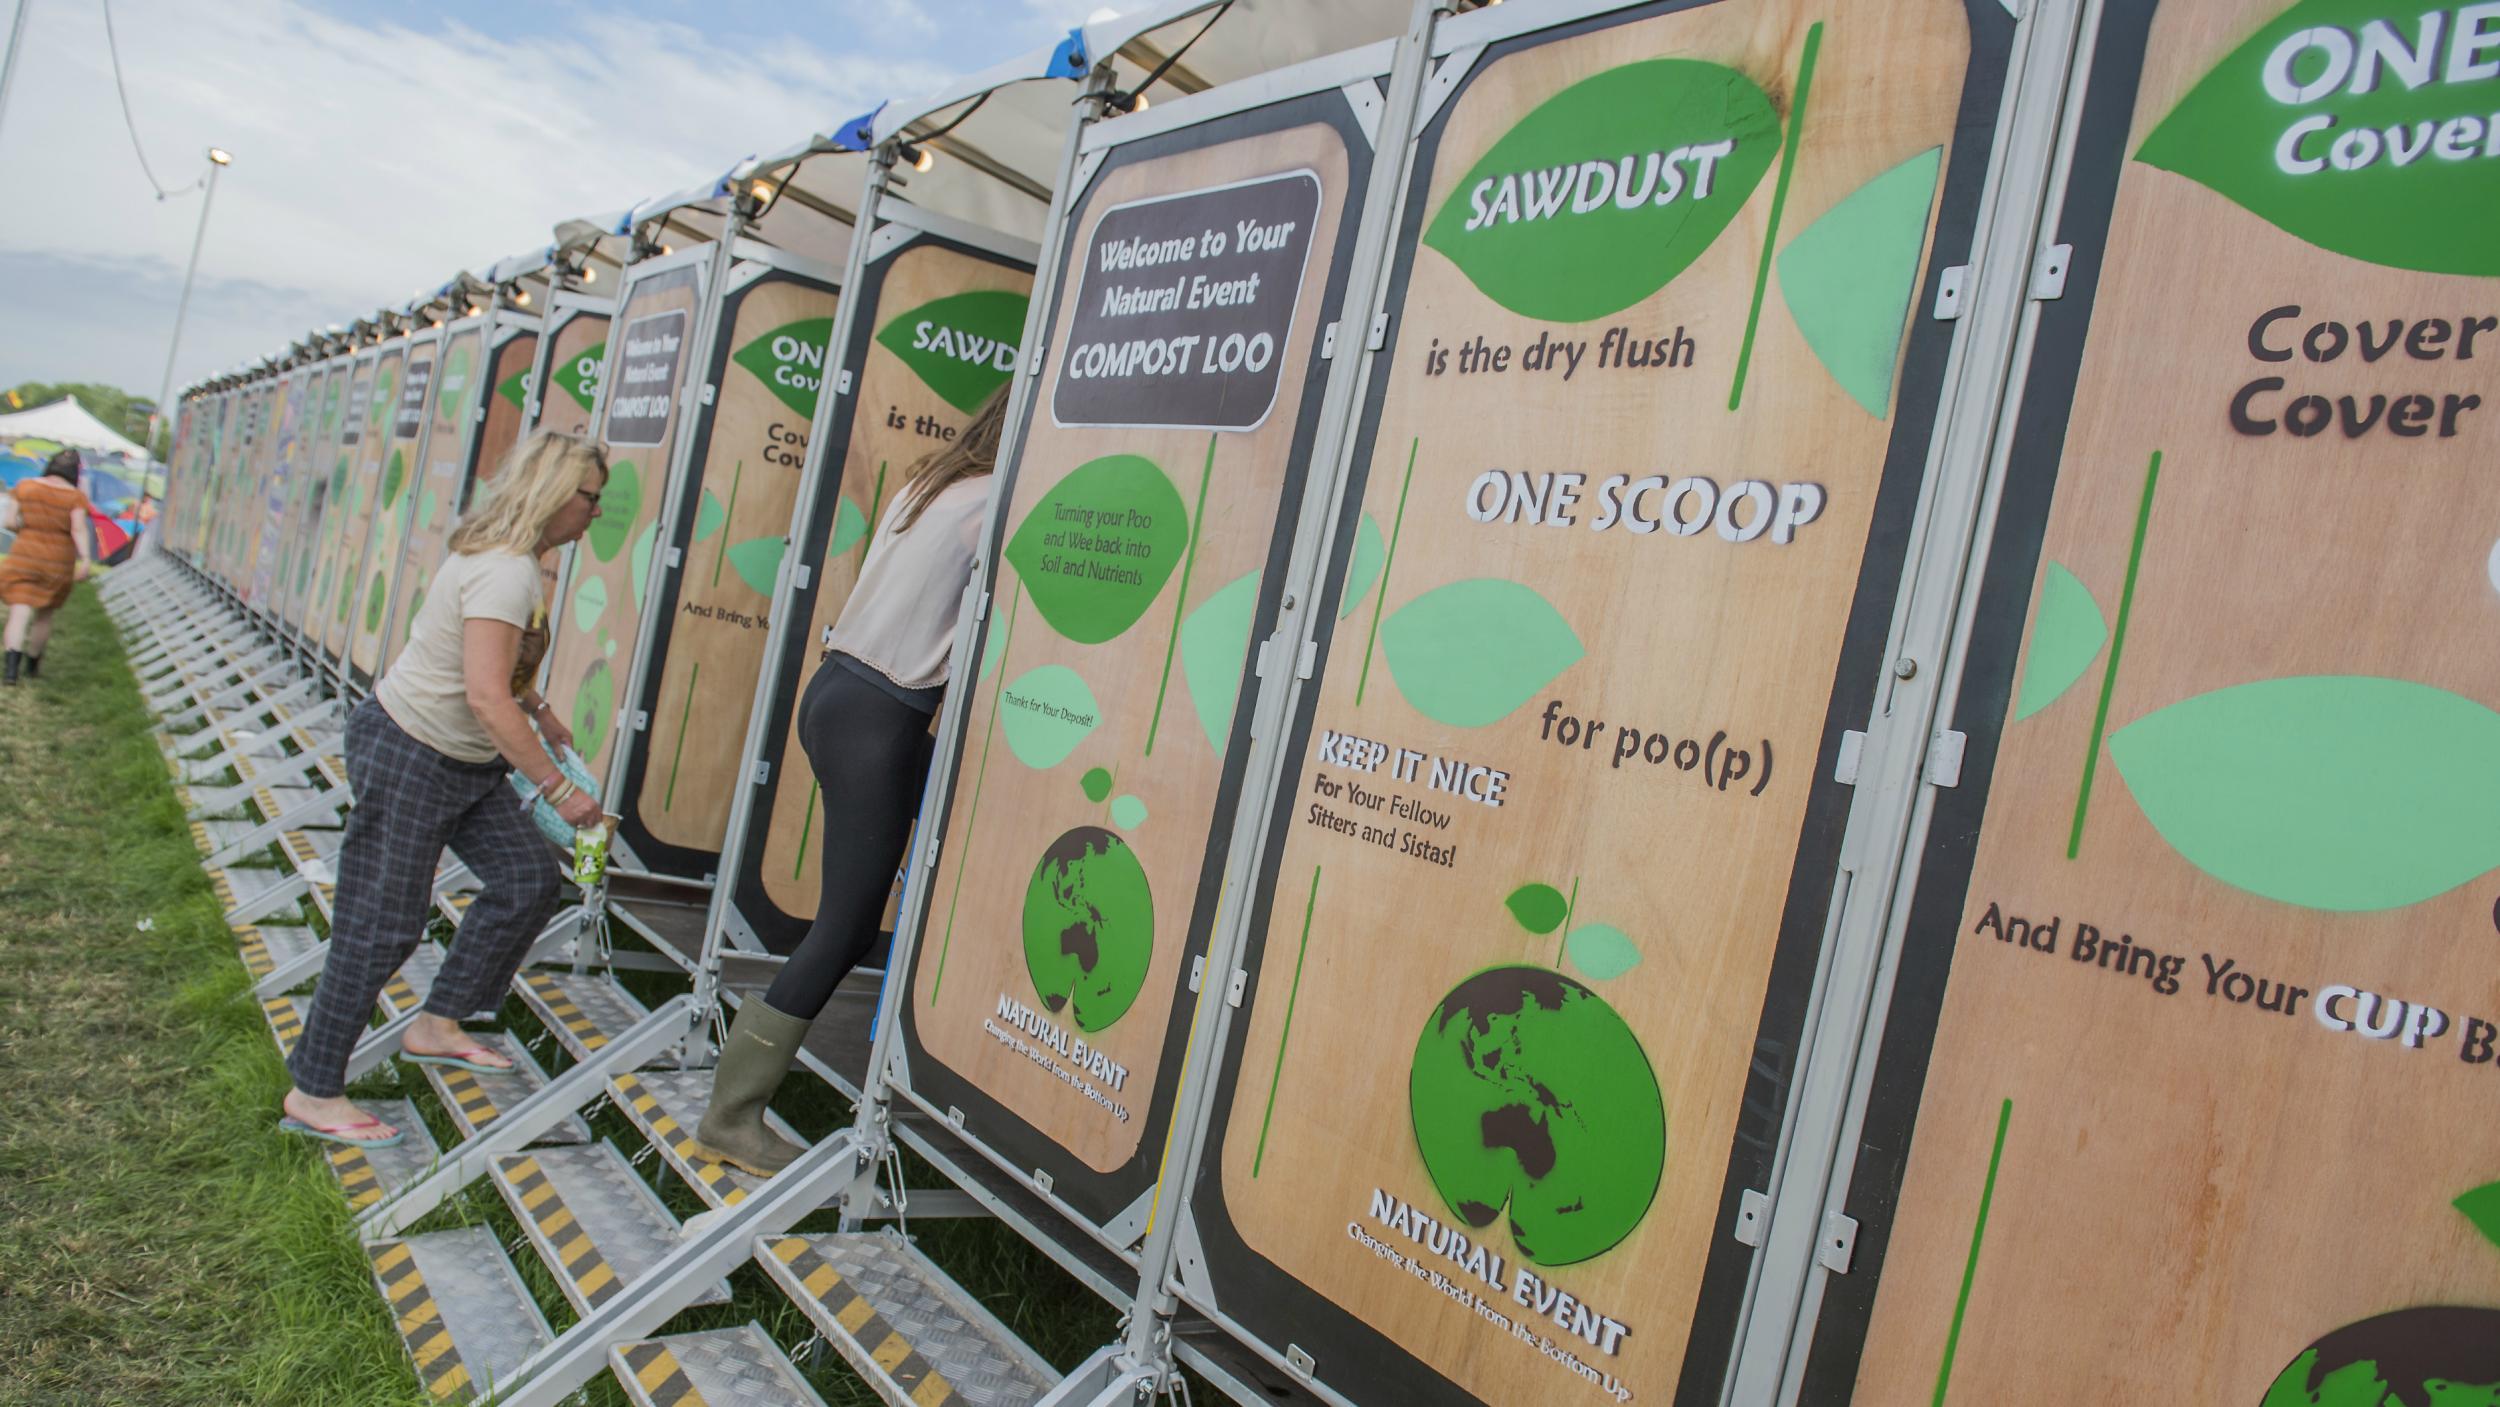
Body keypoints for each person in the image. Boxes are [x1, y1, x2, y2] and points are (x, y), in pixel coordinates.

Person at [692, 391, 1006, 1175]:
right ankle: (733, 1115)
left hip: (838, 689)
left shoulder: (928, 483)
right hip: (883, 712)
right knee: (847, 926)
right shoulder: (995, 503)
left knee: (906, 884)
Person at [279, 431, 608, 1147]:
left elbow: (501, 675)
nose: (596, 511)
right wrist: (558, 790)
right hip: (414, 750)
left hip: (466, 759)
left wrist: (544, 713)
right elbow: (487, 696)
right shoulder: (504, 572)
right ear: (556, 491)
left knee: (525, 881)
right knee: (382, 924)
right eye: (591, 496)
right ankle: (314, 1087)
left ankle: (437, 1021)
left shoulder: (519, 563)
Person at [0, 449, 96, 686]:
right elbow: (78, 528)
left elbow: (11, 522)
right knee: (45, 614)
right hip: (57, 560)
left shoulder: (24, 486)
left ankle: (11, 670)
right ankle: (32, 666)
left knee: (19, 611)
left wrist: (30, 527)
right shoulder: (75, 497)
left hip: (24, 554)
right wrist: (85, 558)